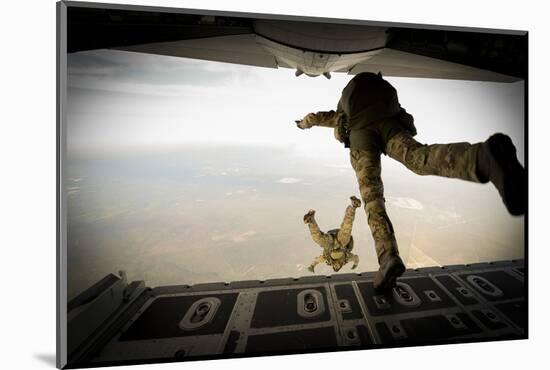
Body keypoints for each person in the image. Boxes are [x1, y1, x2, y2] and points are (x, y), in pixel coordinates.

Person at [296, 72, 526, 291]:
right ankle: (484, 157)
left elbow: (315, 118)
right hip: (387, 121)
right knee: (418, 158)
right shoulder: (365, 98)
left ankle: (388, 258)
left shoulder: (341, 114)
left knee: (372, 196)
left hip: (361, 135)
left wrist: (303, 124)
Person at [305, 196, 362, 273]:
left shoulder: (327, 259)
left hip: (330, 243)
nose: (336, 266)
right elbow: (356, 258)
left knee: (318, 239)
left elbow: (317, 260)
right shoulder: (347, 258)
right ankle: (353, 206)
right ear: (341, 266)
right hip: (342, 243)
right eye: (338, 268)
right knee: (347, 227)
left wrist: (312, 266)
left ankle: (311, 220)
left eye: (335, 267)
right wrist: (355, 264)